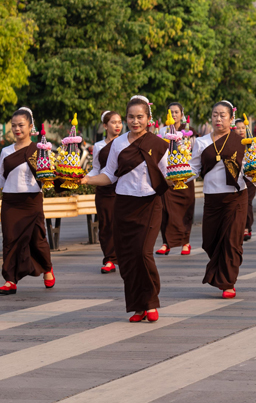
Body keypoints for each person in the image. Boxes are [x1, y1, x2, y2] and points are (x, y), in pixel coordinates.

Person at [83, 95, 169, 322]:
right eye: (131, 117)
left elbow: (167, 174)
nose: (135, 121)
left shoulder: (159, 145)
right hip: (123, 205)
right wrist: (87, 180)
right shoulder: (118, 144)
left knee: (143, 253)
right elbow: (109, 175)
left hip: (150, 203)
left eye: (140, 117)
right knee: (128, 258)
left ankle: (150, 301)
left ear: (149, 118)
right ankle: (138, 306)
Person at [0, 108, 55, 295]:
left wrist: (51, 181)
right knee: (10, 240)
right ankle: (10, 280)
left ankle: (47, 268)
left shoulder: (40, 149)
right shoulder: (6, 151)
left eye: (21, 125)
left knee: (37, 239)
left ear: (31, 126)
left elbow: (46, 177)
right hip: (10, 201)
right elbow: (1, 178)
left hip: (32, 200)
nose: (17, 129)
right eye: (13, 125)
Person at [190, 102, 249, 299]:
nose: (218, 119)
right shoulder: (201, 142)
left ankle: (228, 282)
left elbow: (249, 167)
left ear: (232, 119)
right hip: (212, 198)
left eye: (223, 115)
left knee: (232, 241)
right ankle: (220, 270)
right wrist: (176, 177)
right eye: (215, 115)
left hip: (236, 196)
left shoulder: (241, 141)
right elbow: (194, 169)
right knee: (210, 241)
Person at [156, 102, 195, 256]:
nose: (173, 115)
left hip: (185, 176)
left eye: (176, 112)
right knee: (165, 210)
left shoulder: (188, 132)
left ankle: (185, 242)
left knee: (185, 209)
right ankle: (166, 243)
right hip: (167, 176)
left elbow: (193, 153)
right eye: (170, 112)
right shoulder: (162, 131)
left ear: (181, 114)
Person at [88, 110, 123, 274]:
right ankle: (109, 259)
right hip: (104, 191)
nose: (118, 125)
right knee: (106, 225)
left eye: (119, 122)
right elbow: (96, 169)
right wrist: (81, 178)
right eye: (113, 122)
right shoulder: (99, 146)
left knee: (122, 224)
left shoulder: (126, 142)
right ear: (105, 126)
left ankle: (124, 257)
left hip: (123, 190)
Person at [232, 119, 256, 241]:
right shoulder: (231, 143)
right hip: (236, 176)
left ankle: (246, 227)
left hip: (250, 177)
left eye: (243, 127)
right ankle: (238, 227)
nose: (241, 130)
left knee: (247, 201)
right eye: (238, 128)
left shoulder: (252, 143)